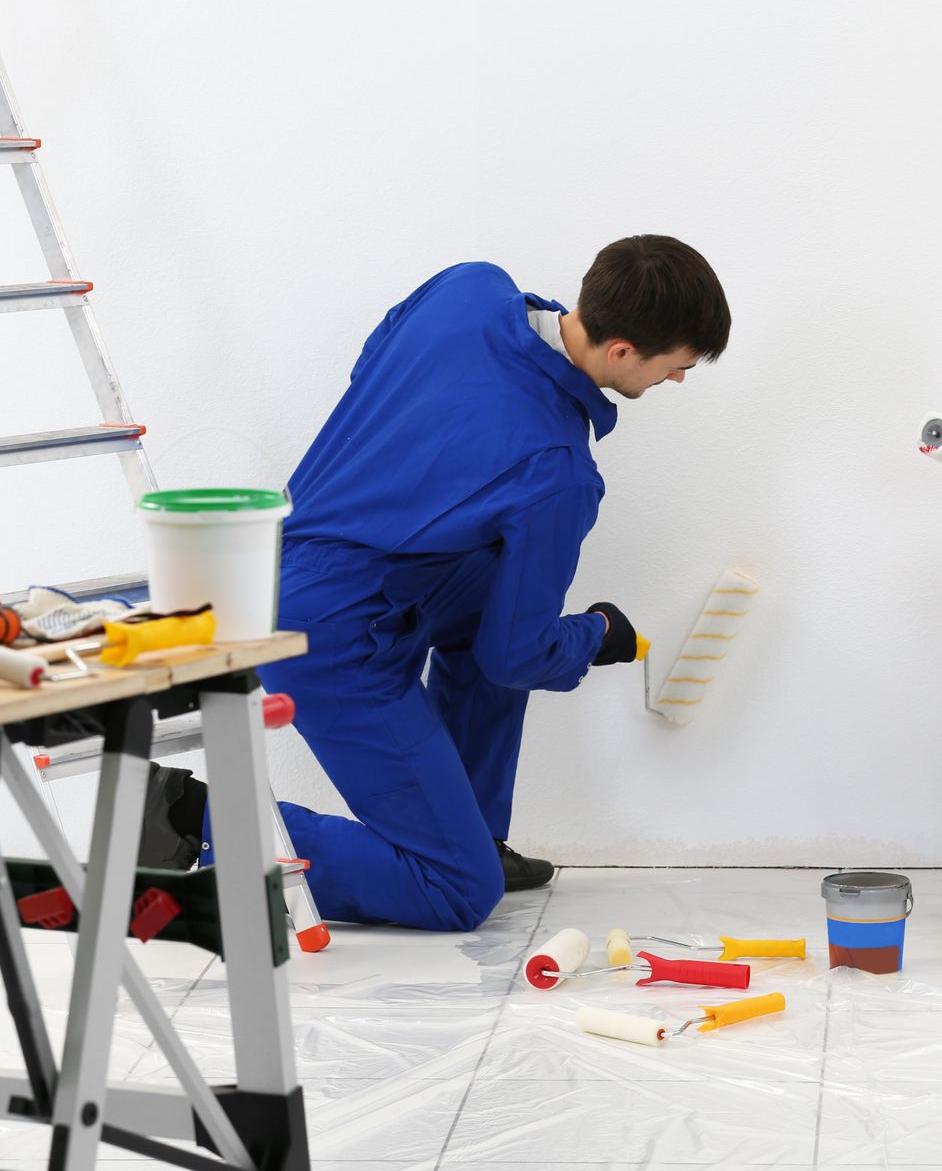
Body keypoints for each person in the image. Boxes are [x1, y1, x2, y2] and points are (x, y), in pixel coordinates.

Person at [139, 237, 730, 931]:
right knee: (454, 890)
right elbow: (518, 656)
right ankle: (194, 824)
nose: (680, 379)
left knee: (491, 596)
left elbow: (372, 365)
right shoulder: (557, 470)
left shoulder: (469, 289)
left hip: (281, 562)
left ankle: (476, 833)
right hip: (326, 634)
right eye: (676, 366)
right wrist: (597, 634)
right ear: (624, 352)